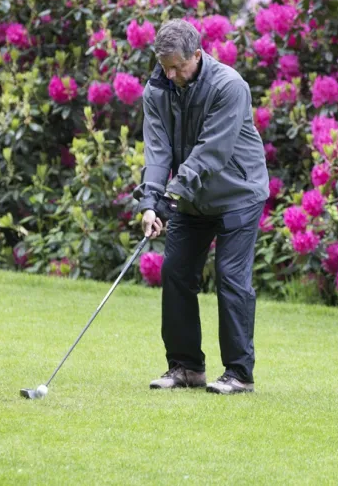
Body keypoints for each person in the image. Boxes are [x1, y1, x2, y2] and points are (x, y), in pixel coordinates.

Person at [133, 19, 270, 395]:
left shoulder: (229, 86)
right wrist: (151, 203)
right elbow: (158, 151)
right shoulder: (158, 90)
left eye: (178, 66)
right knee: (175, 272)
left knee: (230, 277)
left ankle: (239, 374)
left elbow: (212, 151)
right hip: (191, 198)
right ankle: (186, 367)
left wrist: (170, 196)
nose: (171, 74)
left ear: (197, 54)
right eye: (165, 66)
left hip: (238, 193)